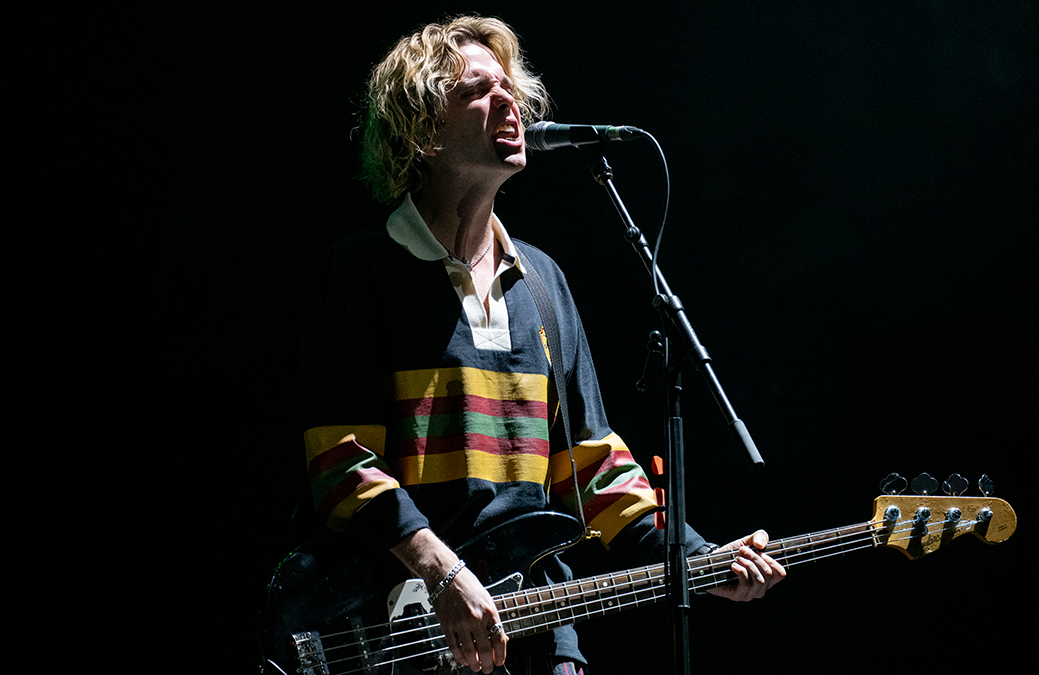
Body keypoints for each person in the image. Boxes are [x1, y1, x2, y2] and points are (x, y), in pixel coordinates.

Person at [302, 15, 784, 675]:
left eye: (510, 87)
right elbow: (342, 463)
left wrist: (696, 558)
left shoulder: (544, 285)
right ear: (424, 131)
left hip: (539, 629)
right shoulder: (364, 272)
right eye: (478, 90)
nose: (510, 103)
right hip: (402, 632)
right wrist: (444, 573)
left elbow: (595, 468)